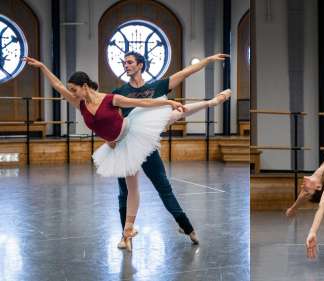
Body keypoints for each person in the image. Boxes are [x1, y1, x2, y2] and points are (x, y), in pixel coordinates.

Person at [24, 56, 231, 251]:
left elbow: (144, 103)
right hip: (119, 146)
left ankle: (212, 102)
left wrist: (168, 101)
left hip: (134, 130)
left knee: (170, 116)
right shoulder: (81, 103)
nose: (71, 92)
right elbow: (58, 87)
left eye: (74, 89)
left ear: (84, 86)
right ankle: (127, 233)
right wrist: (42, 67)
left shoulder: (112, 98)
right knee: (129, 191)